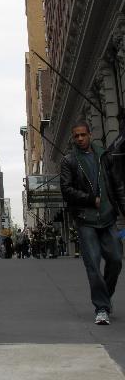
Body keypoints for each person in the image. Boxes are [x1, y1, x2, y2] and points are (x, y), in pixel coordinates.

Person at [60, 120, 125, 325]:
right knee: (93, 265)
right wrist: (90, 199)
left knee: (115, 259)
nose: (79, 139)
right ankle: (102, 308)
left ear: (90, 135)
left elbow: (117, 185)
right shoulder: (69, 161)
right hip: (85, 220)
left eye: (82, 135)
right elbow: (66, 190)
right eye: (76, 136)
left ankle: (105, 296)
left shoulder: (104, 156)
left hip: (107, 218)